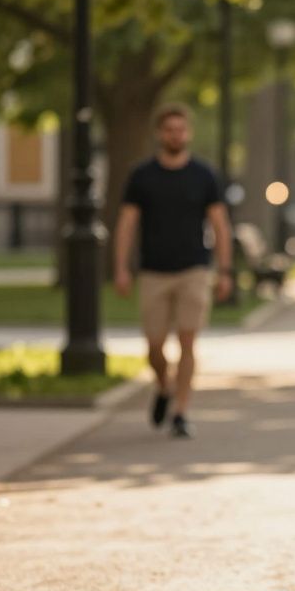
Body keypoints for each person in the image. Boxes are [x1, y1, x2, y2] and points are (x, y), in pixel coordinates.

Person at [113, 103, 233, 439]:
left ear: (188, 133)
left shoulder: (204, 175)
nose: (175, 135)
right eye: (169, 130)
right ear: (159, 134)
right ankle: (163, 386)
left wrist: (225, 270)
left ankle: (181, 411)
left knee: (188, 341)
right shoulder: (142, 176)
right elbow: (126, 225)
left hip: (194, 268)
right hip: (153, 270)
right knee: (153, 346)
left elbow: (220, 225)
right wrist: (121, 267)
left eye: (181, 129)